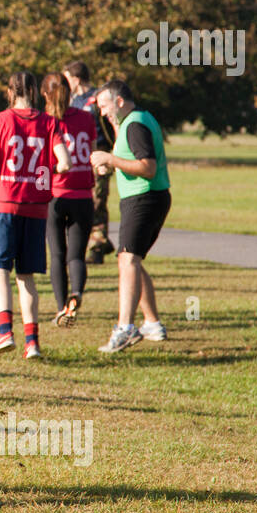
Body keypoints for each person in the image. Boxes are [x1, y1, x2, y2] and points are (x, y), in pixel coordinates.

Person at [0, 73, 70, 360]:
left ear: (9, 92)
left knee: (0, 270)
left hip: (4, 204)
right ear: (34, 91)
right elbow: (64, 163)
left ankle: (4, 332)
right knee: (26, 276)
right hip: (36, 208)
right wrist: (43, 168)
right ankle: (32, 342)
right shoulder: (50, 123)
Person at [89, 80, 172, 352]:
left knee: (127, 259)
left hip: (143, 198)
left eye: (104, 106)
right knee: (131, 259)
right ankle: (152, 323)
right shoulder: (134, 121)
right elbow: (132, 158)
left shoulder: (135, 124)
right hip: (147, 197)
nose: (102, 113)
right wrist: (110, 163)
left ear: (119, 102)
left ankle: (125, 328)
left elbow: (147, 166)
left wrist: (110, 160)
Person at [42, 73, 96, 326]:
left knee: (57, 254)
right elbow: (92, 150)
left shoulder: (45, 122)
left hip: (54, 193)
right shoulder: (86, 117)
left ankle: (61, 307)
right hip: (83, 193)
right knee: (76, 255)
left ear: (44, 94)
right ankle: (77, 295)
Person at [64, 61, 114, 263]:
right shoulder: (72, 100)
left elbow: (109, 127)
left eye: (67, 78)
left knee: (97, 200)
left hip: (99, 153)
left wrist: (110, 155)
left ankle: (97, 247)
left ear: (76, 79)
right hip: (77, 156)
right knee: (85, 201)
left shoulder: (96, 99)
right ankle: (99, 242)